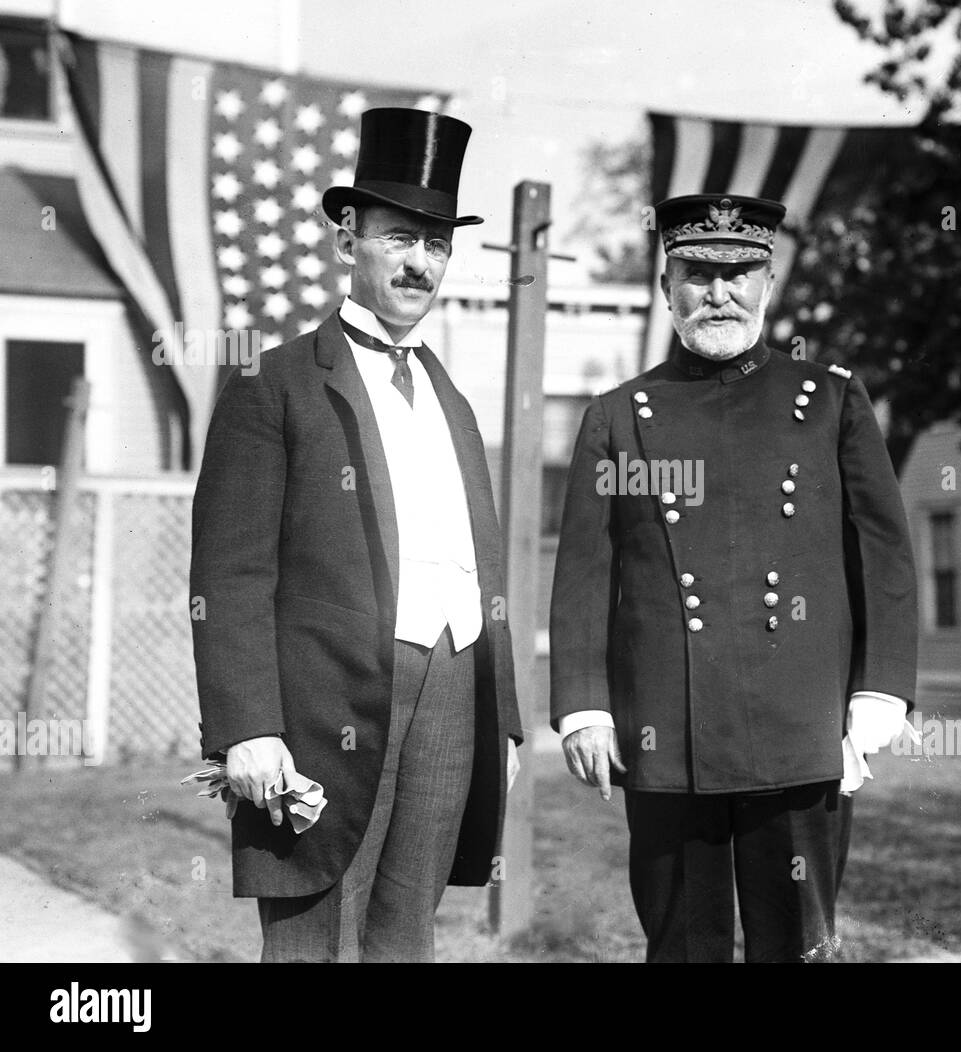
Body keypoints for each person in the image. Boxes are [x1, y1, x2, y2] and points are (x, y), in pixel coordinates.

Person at [549, 193, 918, 962]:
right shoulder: (618, 416)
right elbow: (587, 573)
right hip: (667, 735)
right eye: (697, 273)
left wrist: (880, 687)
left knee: (797, 947)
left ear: (769, 282)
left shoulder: (828, 401)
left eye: (740, 272)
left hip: (799, 728)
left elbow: (882, 553)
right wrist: (583, 707)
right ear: (666, 286)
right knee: (684, 946)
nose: (719, 293)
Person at [190, 108, 522, 963]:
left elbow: (482, 563)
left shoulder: (451, 396)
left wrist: (505, 719)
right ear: (349, 241)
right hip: (326, 704)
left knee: (406, 933)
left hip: (454, 684)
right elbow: (228, 574)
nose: (421, 263)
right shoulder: (277, 382)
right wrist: (245, 727)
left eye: (438, 246)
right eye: (401, 238)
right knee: (311, 938)